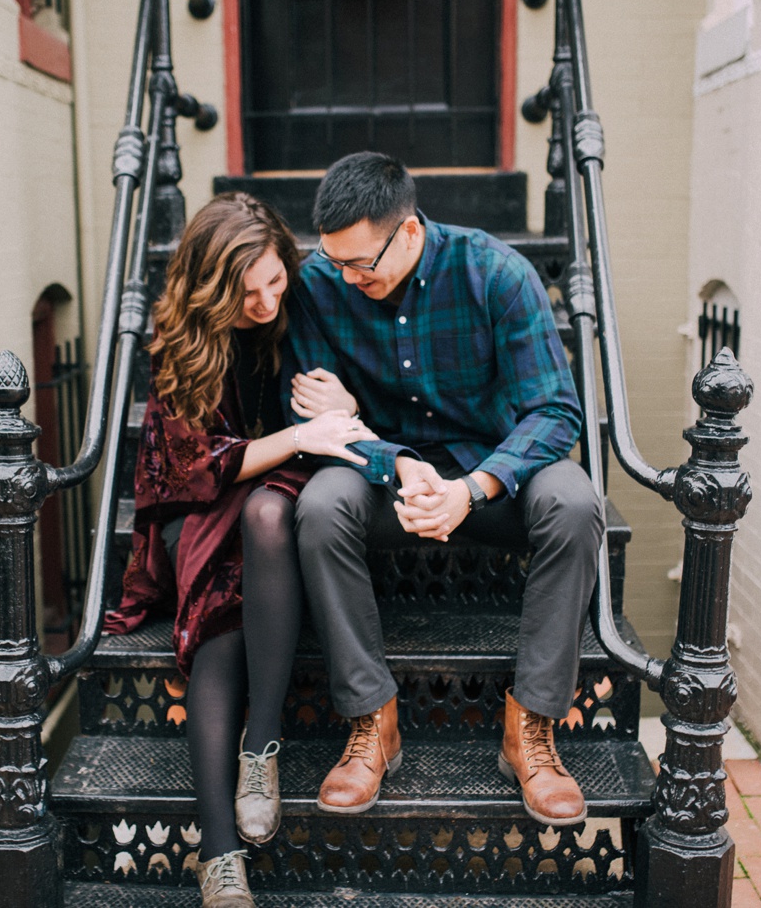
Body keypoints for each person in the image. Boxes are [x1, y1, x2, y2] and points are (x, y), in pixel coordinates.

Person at [287, 152, 605, 827]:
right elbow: (311, 418)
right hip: (389, 477)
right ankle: (373, 720)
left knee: (575, 502)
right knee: (318, 506)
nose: (345, 277)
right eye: (334, 260)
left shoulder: (496, 273)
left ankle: (533, 733)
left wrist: (474, 488)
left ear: (407, 233)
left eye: (360, 265)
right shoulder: (319, 283)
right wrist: (392, 456)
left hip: (492, 471)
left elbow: (555, 413)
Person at [103, 191, 377, 908]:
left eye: (273, 282)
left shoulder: (309, 300)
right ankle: (220, 855)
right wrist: (295, 438)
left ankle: (262, 744)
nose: (263, 303)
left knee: (264, 516)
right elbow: (186, 469)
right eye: (243, 291)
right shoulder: (186, 338)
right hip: (196, 502)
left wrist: (344, 409)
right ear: (208, 289)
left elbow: (365, 396)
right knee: (218, 626)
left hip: (276, 493)